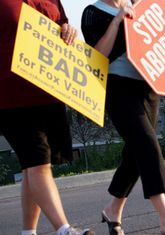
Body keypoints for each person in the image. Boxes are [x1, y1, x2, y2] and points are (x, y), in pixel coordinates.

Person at [81, 0, 165, 234]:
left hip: (148, 86)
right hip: (117, 88)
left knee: (135, 153)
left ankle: (112, 210)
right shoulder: (92, 13)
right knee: (147, 146)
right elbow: (98, 56)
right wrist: (117, 20)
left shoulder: (142, 6)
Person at [0, 1, 95, 235]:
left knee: (31, 168)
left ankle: (28, 232)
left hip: (49, 92)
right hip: (11, 97)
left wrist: (67, 29)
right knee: (39, 164)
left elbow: (61, 24)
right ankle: (64, 229)